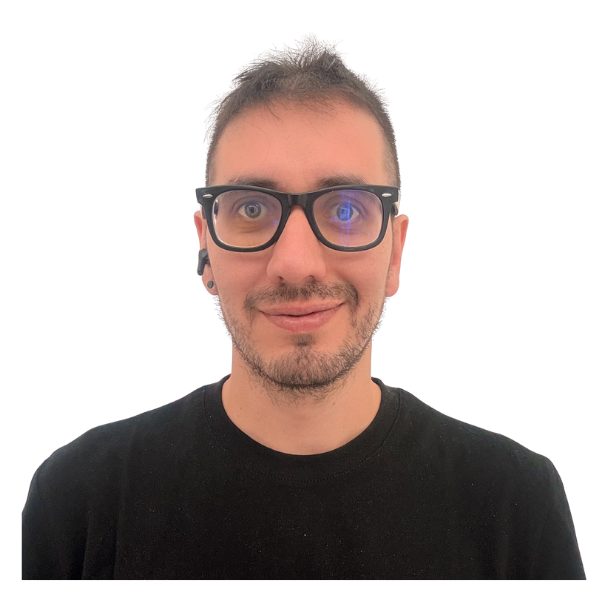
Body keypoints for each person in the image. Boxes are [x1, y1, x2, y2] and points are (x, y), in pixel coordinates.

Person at [21, 33, 585, 580]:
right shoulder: (79, 500)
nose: (295, 263)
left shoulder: (517, 504)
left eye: (346, 210)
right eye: (250, 209)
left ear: (396, 251)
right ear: (205, 246)